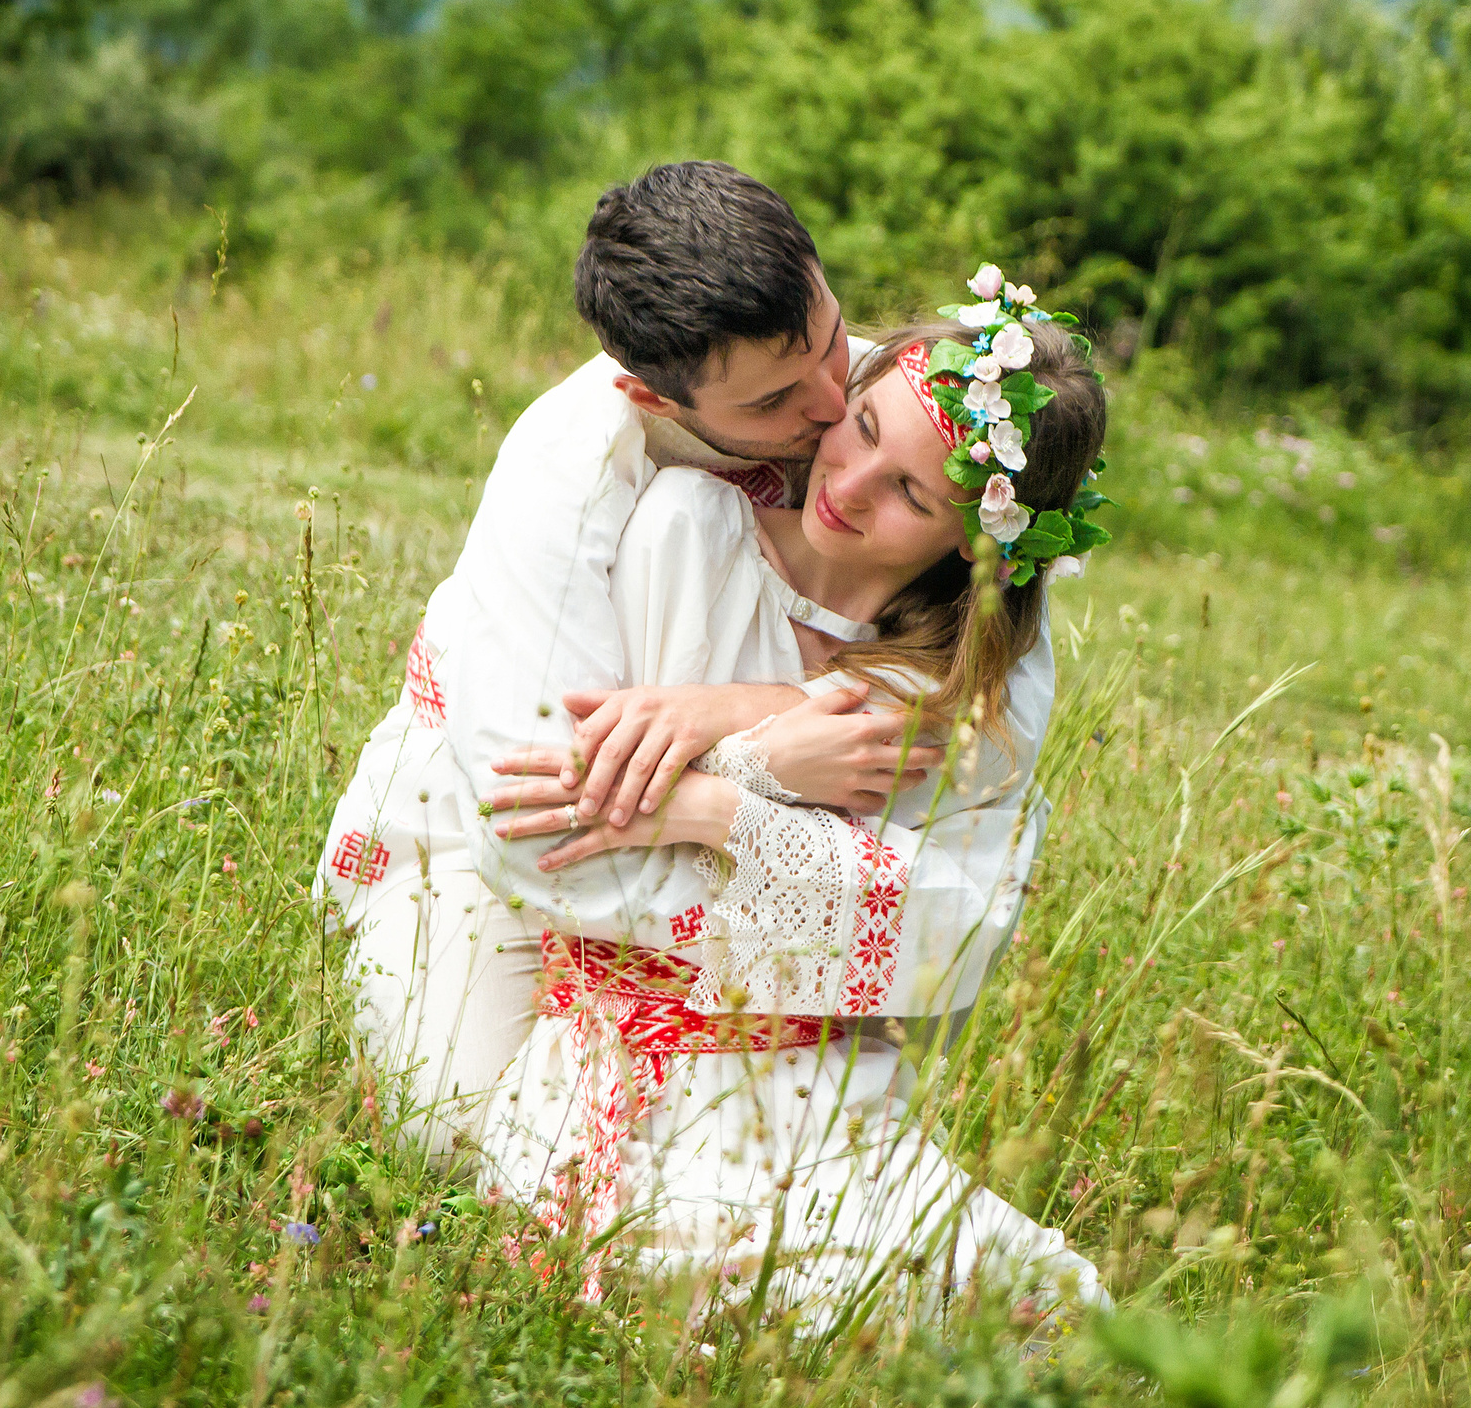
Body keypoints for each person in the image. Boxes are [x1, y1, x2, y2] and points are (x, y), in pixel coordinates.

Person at [463, 278, 1113, 1324]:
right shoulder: (690, 533)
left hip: (824, 1080)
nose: (848, 484)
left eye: (909, 492)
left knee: (1042, 1305)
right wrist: (763, 761)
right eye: (859, 428)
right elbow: (571, 827)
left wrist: (712, 810)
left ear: (976, 546)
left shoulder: (939, 688)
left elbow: (947, 927)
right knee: (810, 1299)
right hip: (629, 1056)